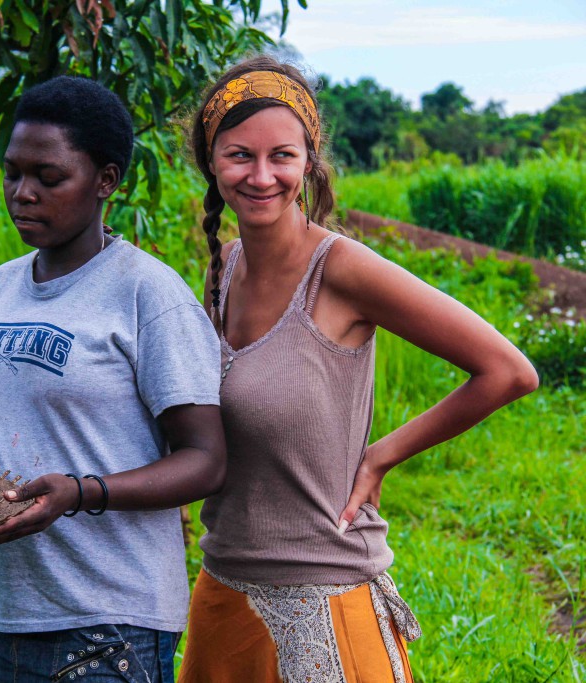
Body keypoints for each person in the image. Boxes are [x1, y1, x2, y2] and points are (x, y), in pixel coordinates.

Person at [176, 55, 539, 683]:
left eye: (282, 156)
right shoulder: (222, 266)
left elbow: (507, 370)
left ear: (310, 160)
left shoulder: (341, 270)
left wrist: (381, 456)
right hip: (225, 590)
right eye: (239, 155)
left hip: (322, 599)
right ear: (211, 161)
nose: (262, 176)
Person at [0, 76, 226, 682]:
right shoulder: (3, 286)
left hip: (105, 627)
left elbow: (206, 460)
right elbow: (16, 449)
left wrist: (79, 493)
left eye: (48, 178)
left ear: (105, 181)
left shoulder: (147, 293)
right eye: (12, 173)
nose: (22, 194)